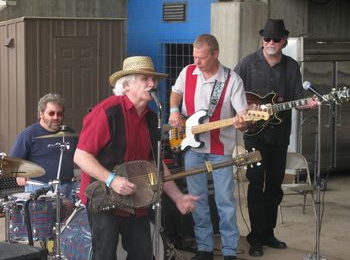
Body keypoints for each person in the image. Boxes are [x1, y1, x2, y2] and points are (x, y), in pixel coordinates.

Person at [74, 56, 199, 260]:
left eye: (153, 79)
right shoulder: (107, 112)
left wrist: (177, 197)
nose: (152, 84)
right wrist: (111, 180)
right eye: (145, 79)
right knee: (104, 255)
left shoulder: (152, 118)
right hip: (103, 197)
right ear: (126, 85)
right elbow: (80, 155)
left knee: (142, 253)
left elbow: (156, 165)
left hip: (136, 197)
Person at [234, 19, 319, 257]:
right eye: (266, 39)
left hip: (280, 136)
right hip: (253, 136)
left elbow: (297, 99)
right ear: (262, 40)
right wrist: (241, 115)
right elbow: (233, 93)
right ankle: (255, 237)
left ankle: (268, 232)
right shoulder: (248, 63)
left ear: (283, 41)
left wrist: (308, 104)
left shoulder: (291, 66)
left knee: (274, 186)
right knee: (255, 184)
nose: (270, 43)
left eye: (275, 39)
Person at [168, 34, 248, 260]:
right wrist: (174, 110)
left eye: (201, 58)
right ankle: (204, 249)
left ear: (215, 54)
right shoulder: (188, 72)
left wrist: (244, 121)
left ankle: (230, 251)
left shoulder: (233, 80)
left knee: (225, 201)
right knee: (197, 200)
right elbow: (176, 92)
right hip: (192, 148)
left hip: (220, 148)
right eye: (194, 57)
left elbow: (243, 116)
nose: (197, 62)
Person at [10, 93, 79, 202]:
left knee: (85, 209)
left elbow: (82, 156)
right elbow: (13, 162)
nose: (56, 117)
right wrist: (19, 175)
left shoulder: (70, 133)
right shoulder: (29, 134)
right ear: (41, 114)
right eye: (51, 113)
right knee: (48, 218)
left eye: (59, 113)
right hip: (40, 188)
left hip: (69, 186)